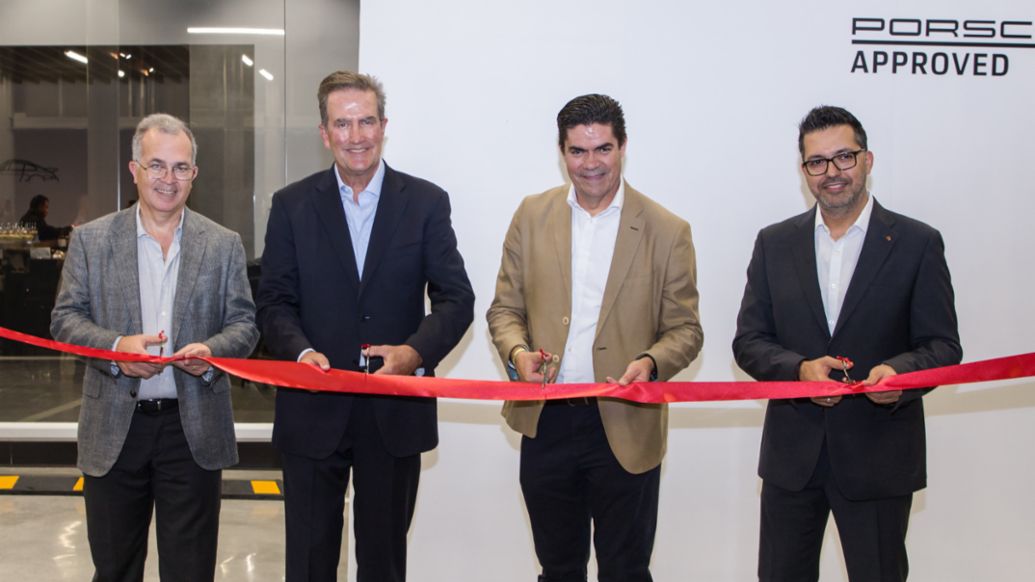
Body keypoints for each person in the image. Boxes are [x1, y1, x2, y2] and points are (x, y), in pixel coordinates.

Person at [256, 70, 474, 582]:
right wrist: (300, 354)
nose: (357, 136)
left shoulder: (425, 203)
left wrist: (414, 354)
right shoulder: (291, 206)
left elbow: (456, 299)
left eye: (367, 121)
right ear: (324, 132)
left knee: (383, 565)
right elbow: (273, 303)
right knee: (309, 564)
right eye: (343, 123)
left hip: (392, 413)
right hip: (313, 408)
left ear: (384, 125)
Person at [733, 105, 962, 582]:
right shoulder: (774, 243)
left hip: (879, 457)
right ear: (804, 172)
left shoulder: (918, 243)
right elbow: (749, 341)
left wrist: (901, 375)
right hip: (792, 460)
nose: (832, 172)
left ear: (868, 160)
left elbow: (942, 346)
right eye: (817, 162)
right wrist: (798, 370)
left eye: (844, 157)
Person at [486, 93, 703, 582]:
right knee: (558, 568)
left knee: (625, 570)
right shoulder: (530, 214)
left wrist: (650, 363)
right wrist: (518, 353)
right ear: (562, 152)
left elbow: (686, 329)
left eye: (602, 149)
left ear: (623, 147)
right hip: (549, 422)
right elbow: (504, 310)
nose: (590, 164)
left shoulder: (668, 230)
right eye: (578, 151)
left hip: (627, 422)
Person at [50, 112, 259, 581]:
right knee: (116, 568)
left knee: (190, 571)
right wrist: (119, 348)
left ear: (194, 175)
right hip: (114, 433)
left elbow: (245, 324)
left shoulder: (223, 245)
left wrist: (210, 353)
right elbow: (64, 320)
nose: (169, 179)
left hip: (193, 432)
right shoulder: (91, 240)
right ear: (135, 170)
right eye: (157, 165)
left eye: (180, 167)